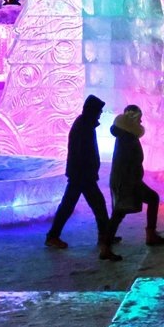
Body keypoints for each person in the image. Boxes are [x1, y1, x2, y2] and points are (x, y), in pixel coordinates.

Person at [46, 95, 114, 252]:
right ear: (92, 110)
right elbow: (82, 153)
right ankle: (104, 235)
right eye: (99, 111)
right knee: (95, 204)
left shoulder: (85, 124)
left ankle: (104, 234)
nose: (100, 114)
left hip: (81, 175)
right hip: (82, 176)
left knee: (74, 205)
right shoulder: (84, 126)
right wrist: (88, 172)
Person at [103, 105, 164, 259]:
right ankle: (106, 247)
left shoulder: (126, 135)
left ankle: (149, 235)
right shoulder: (127, 138)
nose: (141, 120)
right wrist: (131, 184)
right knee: (120, 212)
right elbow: (128, 162)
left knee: (124, 210)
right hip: (126, 182)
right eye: (139, 117)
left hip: (127, 180)